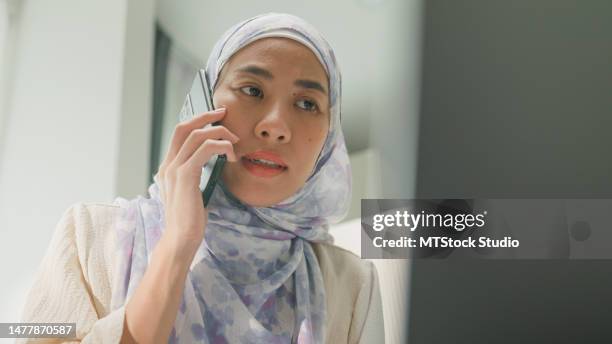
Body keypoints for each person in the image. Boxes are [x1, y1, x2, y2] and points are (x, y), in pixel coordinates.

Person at [19, 13, 384, 343]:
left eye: (307, 104)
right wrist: (178, 243)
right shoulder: (88, 234)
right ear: (206, 102)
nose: (275, 126)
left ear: (328, 139)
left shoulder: (351, 285)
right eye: (252, 90)